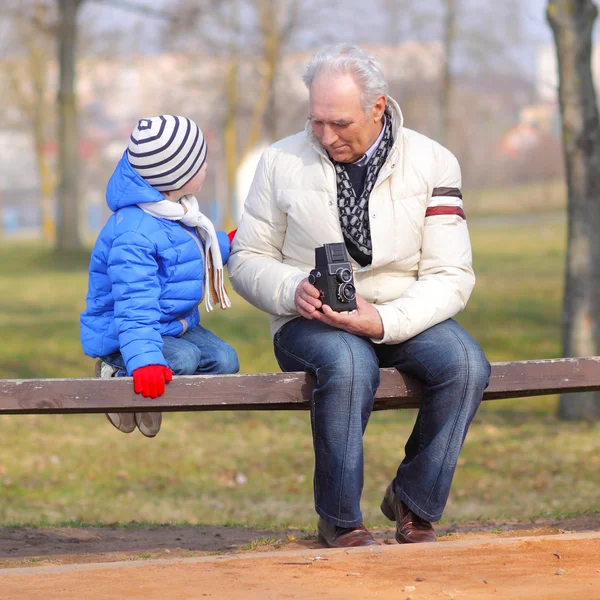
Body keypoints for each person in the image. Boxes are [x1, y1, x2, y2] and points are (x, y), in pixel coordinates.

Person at [228, 44, 491, 548]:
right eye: (316, 121)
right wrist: (291, 289)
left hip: (401, 311)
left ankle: (414, 503)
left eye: (339, 123)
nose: (325, 137)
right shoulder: (279, 161)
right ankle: (341, 520)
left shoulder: (434, 161)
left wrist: (385, 322)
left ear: (378, 107)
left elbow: (450, 274)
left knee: (466, 363)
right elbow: (245, 259)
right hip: (309, 320)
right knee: (350, 365)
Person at [81, 115, 239, 438]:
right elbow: (134, 305)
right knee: (184, 358)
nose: (206, 166)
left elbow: (188, 251)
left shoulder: (174, 211)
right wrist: (145, 362)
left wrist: (226, 243)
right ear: (175, 175)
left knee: (225, 360)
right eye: (200, 162)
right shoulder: (135, 233)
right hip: (124, 331)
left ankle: (142, 390)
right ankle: (119, 373)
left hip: (172, 325)